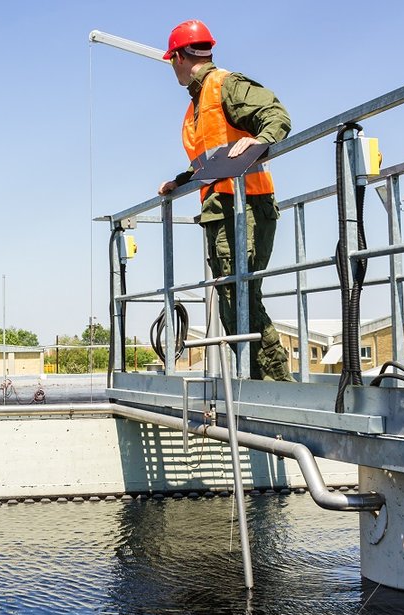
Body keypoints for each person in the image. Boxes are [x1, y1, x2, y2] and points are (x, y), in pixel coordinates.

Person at [157, 19, 293, 381]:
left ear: (180, 57)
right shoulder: (198, 105)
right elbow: (209, 159)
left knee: (240, 297)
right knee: (234, 300)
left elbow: (276, 115)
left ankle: (276, 382)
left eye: (171, 60)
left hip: (244, 206)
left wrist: (261, 138)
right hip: (221, 209)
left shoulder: (225, 85)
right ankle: (259, 380)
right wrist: (181, 181)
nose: (172, 68)